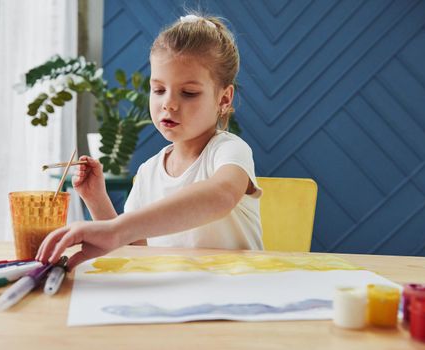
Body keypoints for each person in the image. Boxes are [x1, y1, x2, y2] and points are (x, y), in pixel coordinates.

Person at [36, 13, 263, 270]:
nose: (168, 103)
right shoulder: (148, 172)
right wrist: (96, 199)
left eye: (188, 93)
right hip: (174, 297)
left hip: (237, 293)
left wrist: (117, 229)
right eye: (158, 90)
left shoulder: (229, 150)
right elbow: (134, 251)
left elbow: (221, 195)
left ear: (224, 99)